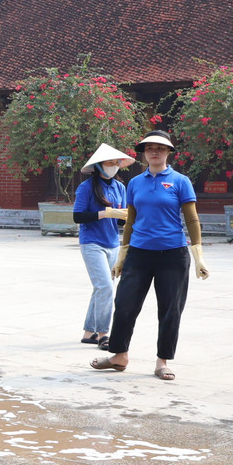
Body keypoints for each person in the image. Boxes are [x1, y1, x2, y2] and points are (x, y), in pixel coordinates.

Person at [90, 130, 209, 380]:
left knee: (170, 309)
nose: (154, 152)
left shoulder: (180, 181)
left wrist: (198, 256)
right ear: (144, 153)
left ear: (168, 152)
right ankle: (119, 356)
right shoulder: (135, 183)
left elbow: (192, 218)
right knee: (124, 304)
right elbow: (131, 221)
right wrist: (123, 255)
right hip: (139, 254)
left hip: (173, 255)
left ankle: (162, 361)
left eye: (160, 148)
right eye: (149, 148)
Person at [73, 143, 133, 348]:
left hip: (112, 243)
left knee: (102, 289)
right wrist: (104, 213)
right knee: (105, 287)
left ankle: (88, 332)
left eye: (117, 162)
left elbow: (122, 222)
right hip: (92, 243)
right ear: (99, 165)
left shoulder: (120, 187)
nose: (114, 165)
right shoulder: (86, 187)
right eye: (110, 162)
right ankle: (103, 334)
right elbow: (77, 216)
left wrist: (125, 216)